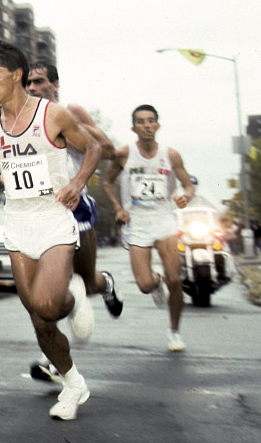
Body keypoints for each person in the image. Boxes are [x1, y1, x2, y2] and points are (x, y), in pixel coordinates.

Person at [0, 42, 102, 421]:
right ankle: (74, 384)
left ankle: (75, 294)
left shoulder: (52, 115)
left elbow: (93, 149)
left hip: (54, 218)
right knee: (38, 318)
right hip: (18, 221)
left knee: (45, 303)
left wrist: (76, 182)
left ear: (16, 75)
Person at [25, 62, 123, 381]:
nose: (32, 88)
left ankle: (106, 283)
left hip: (76, 213)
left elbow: (107, 151)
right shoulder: (23, 121)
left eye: (39, 82)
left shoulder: (72, 112)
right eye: (28, 83)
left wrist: (77, 128)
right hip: (42, 217)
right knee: (51, 287)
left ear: (55, 84)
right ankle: (50, 357)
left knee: (86, 282)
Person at [102, 104, 195, 353]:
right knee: (144, 285)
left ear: (157, 125)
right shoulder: (124, 154)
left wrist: (186, 196)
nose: (146, 125)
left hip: (164, 221)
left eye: (151, 121)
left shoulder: (171, 155)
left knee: (176, 279)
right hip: (137, 225)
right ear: (134, 128)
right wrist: (118, 209)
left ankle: (174, 332)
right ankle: (157, 282)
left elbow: (188, 185)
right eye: (141, 121)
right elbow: (107, 182)